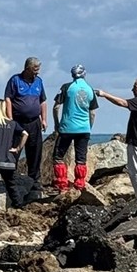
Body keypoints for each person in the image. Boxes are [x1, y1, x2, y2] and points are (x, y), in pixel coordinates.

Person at [96, 79, 137, 198]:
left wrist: (104, 94)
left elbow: (122, 103)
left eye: (134, 87)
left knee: (136, 170)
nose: (132, 90)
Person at [52, 64, 99, 192]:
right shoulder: (90, 89)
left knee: (58, 156)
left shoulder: (66, 87)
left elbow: (56, 107)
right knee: (81, 158)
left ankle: (61, 183)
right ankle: (79, 184)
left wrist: (57, 123)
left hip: (67, 127)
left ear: (72, 75)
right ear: (84, 74)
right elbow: (93, 112)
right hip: (84, 129)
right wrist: (89, 126)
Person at [3, 57, 48, 188]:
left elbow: (43, 101)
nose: (37, 72)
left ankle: (34, 180)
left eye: (38, 69)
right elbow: (8, 99)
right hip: (18, 122)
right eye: (35, 69)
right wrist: (10, 119)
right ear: (27, 68)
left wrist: (44, 119)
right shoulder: (15, 80)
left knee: (35, 151)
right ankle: (11, 178)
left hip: (34, 122)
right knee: (14, 150)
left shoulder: (39, 82)